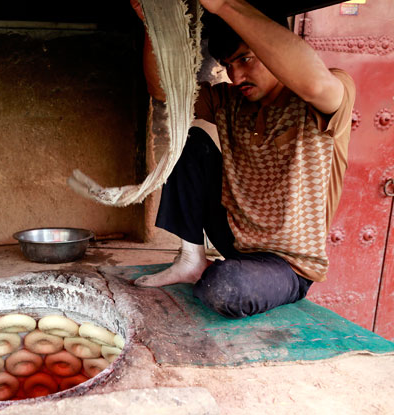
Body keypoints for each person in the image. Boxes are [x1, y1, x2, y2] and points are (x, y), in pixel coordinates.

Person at [132, 0, 355, 318]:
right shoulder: (230, 100)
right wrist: (153, 26)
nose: (236, 76)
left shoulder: (326, 96)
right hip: (235, 236)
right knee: (189, 139)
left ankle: (226, 273)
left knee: (225, 287)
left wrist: (223, 5)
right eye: (228, 64)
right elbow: (165, 91)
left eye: (245, 59)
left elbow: (315, 83)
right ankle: (191, 258)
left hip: (286, 264)